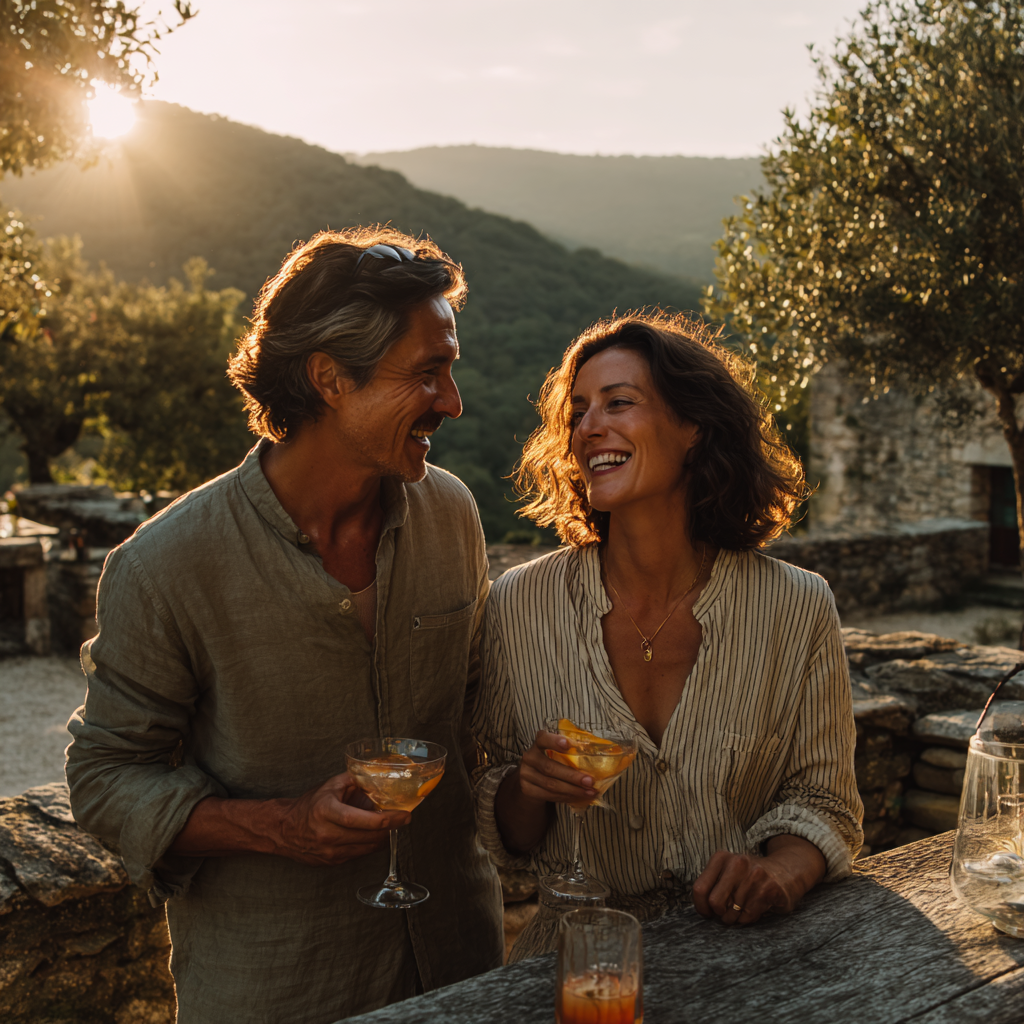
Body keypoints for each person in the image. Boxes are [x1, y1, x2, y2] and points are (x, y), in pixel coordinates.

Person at [65, 228, 504, 1023]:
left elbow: (477, 718)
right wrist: (280, 827)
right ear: (331, 379)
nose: (452, 402)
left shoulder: (453, 515)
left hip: (461, 971)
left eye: (452, 370)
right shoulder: (166, 565)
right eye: (428, 373)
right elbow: (104, 779)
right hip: (277, 989)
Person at [472, 311, 864, 960]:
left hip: (749, 957)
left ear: (693, 429)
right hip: (576, 968)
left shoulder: (797, 605)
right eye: (577, 412)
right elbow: (502, 826)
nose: (589, 425)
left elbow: (824, 802)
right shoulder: (518, 605)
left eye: (618, 403)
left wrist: (777, 874)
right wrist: (528, 785)